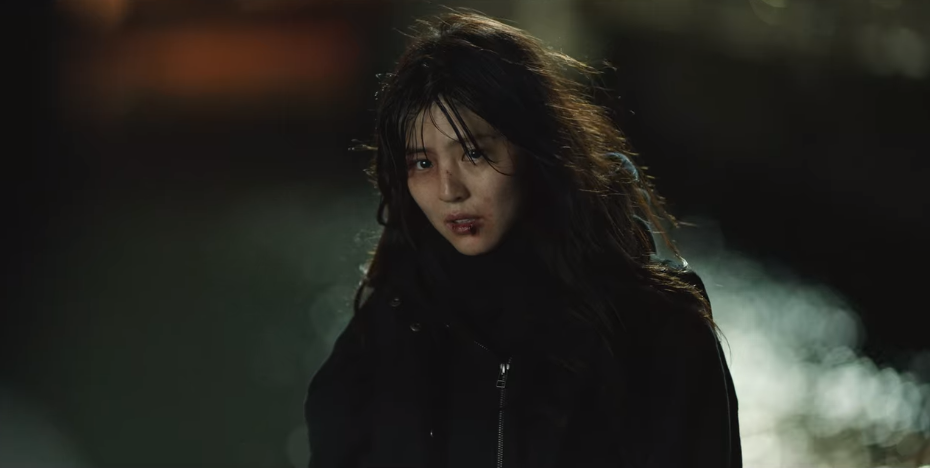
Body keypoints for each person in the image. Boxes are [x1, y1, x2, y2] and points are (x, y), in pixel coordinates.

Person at [304, 10, 741, 468]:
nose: (449, 191)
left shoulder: (662, 334)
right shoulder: (385, 337)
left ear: (535, 148)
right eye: (423, 163)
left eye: (474, 153)